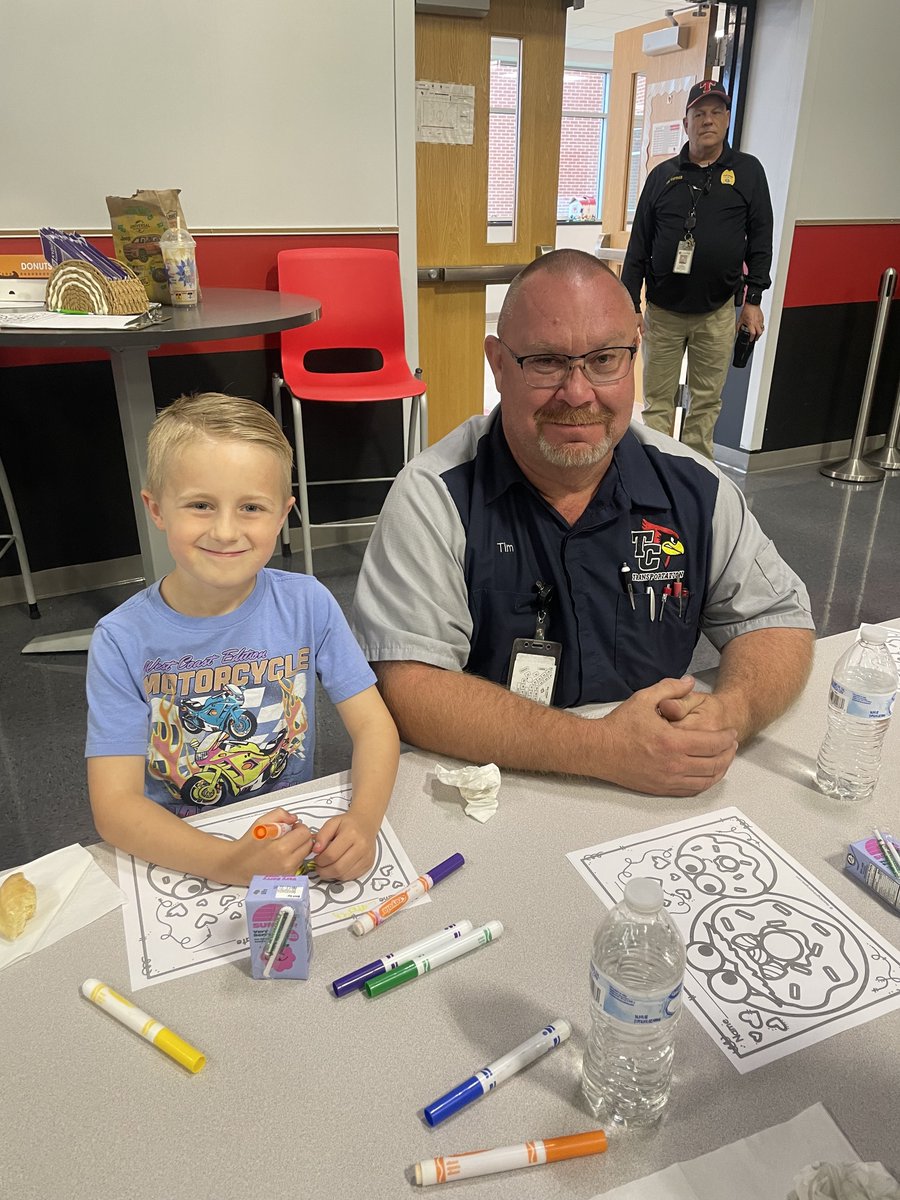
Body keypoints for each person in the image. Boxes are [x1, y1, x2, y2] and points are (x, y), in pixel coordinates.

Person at [351, 249, 814, 798]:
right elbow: (407, 685)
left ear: (635, 352)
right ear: (498, 364)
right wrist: (599, 750)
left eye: (604, 359)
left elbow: (777, 619)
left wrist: (731, 712)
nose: (577, 393)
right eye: (546, 361)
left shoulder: (695, 488)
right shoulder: (434, 497)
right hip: (496, 789)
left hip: (660, 787)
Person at [86, 392, 399, 886]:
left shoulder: (308, 604)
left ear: (283, 514)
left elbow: (374, 727)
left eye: (251, 507)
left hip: (289, 834)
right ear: (157, 509)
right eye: (201, 505)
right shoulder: (120, 639)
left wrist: (363, 820)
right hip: (181, 849)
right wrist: (228, 863)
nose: (226, 531)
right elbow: (116, 807)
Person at [622, 79, 773, 460]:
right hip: (663, 312)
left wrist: (754, 300)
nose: (708, 120)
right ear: (686, 123)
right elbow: (639, 243)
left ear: (727, 119)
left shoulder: (748, 172)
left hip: (717, 312)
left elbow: (761, 237)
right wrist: (630, 306)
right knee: (657, 403)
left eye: (716, 112)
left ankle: (695, 477)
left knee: (705, 404)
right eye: (699, 113)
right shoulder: (662, 176)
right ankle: (657, 472)